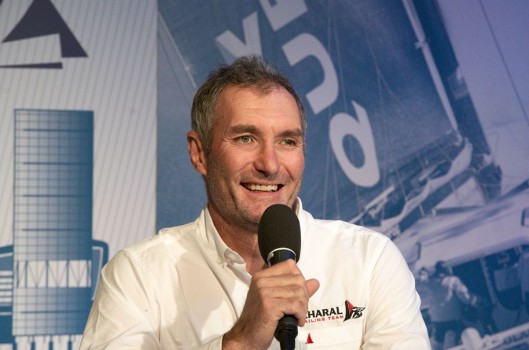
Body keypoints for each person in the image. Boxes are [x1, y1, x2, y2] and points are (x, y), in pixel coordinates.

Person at [80, 55, 430, 349]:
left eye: (288, 141)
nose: (270, 164)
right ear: (199, 153)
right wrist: (239, 342)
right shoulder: (138, 275)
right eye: (246, 138)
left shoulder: (370, 261)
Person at [426, 261, 476, 350]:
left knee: (438, 342)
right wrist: (473, 301)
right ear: (447, 270)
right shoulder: (453, 280)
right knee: (466, 334)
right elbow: (464, 295)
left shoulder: (430, 283)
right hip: (454, 319)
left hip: (437, 321)